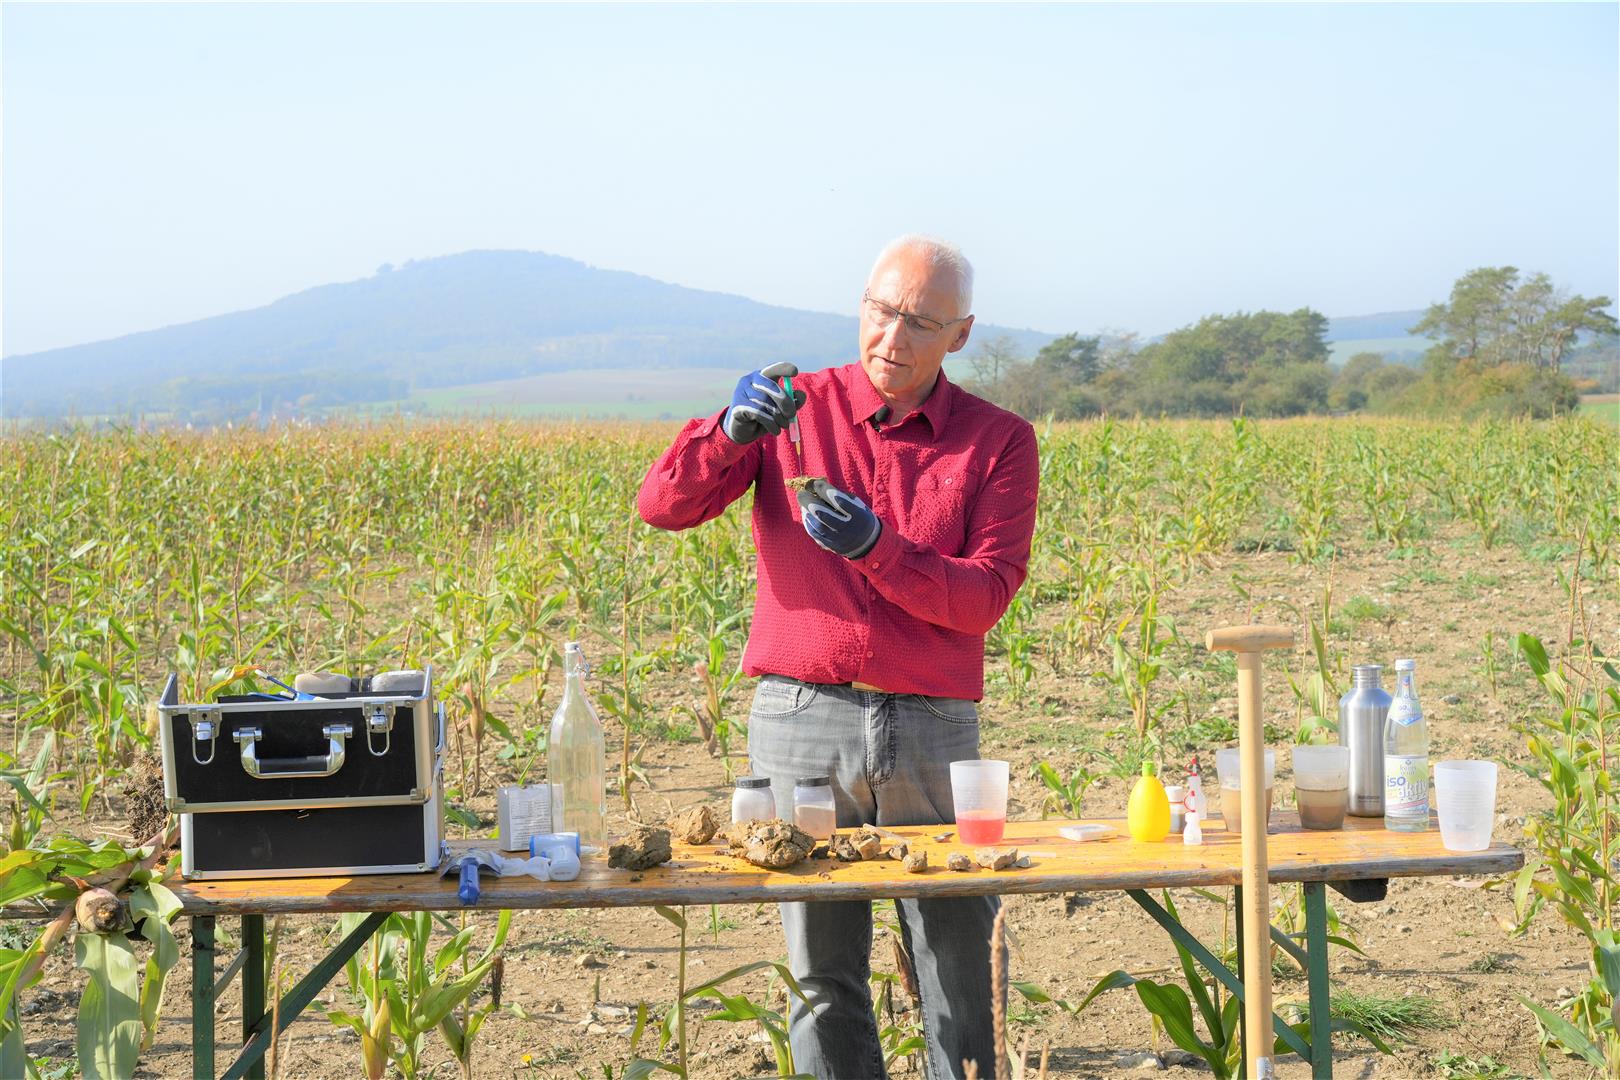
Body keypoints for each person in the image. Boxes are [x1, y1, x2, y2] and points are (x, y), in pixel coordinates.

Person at [637, 235, 1039, 1079]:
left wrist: (879, 549)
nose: (893, 337)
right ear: (862, 304)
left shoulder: (997, 441)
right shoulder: (794, 408)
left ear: (959, 336)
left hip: (932, 726)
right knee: (820, 974)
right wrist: (726, 429)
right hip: (800, 718)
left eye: (921, 323)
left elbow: (983, 596)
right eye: (882, 311)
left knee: (959, 961)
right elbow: (663, 507)